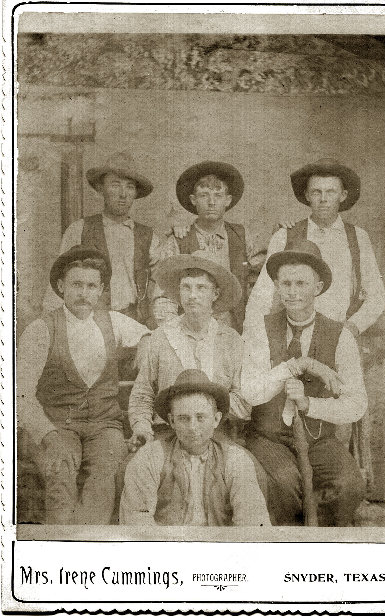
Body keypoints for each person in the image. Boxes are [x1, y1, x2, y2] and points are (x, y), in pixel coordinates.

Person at [17, 245, 150, 524]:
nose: (84, 293)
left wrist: (144, 348)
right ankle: (62, 545)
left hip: (104, 426)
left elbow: (151, 338)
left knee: (107, 471)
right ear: (62, 286)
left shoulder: (114, 322)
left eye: (92, 286)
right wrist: (49, 436)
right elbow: (20, 395)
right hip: (58, 425)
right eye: (77, 284)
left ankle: (88, 543)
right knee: (61, 470)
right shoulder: (42, 329)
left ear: (101, 290)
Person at [241, 239, 367, 526]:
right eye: (286, 284)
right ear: (277, 286)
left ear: (318, 288)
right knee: (285, 484)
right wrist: (294, 366)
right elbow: (250, 391)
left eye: (301, 283)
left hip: (318, 440)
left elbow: (356, 404)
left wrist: (310, 403)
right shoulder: (260, 329)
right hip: (268, 437)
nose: (293, 292)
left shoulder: (340, 336)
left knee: (349, 485)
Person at [244, 158, 385, 338]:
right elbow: (262, 296)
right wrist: (253, 339)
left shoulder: (358, 237)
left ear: (342, 195)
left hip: (342, 334)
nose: (324, 199)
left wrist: (352, 327)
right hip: (292, 336)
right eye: (317, 192)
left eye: (331, 191)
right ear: (307, 195)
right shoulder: (285, 235)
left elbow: (377, 296)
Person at [128, 252, 251, 449]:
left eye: (201, 288)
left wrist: (206, 416)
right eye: (186, 287)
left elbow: (243, 399)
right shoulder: (161, 337)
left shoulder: (231, 340)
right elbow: (143, 393)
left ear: (215, 294)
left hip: (217, 435)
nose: (192, 295)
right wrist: (142, 426)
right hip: (169, 433)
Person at [120, 369, 271, 526]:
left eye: (201, 417)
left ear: (216, 419)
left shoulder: (236, 460)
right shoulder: (150, 458)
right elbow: (137, 525)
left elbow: (253, 526)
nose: (192, 427)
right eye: (184, 418)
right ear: (172, 421)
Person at [43, 151, 162, 327]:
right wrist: (50, 327)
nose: (123, 194)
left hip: (135, 324)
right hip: (89, 325)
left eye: (129, 187)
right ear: (101, 188)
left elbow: (162, 288)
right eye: (115, 185)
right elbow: (57, 285)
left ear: (135, 193)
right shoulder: (79, 229)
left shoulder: (149, 237)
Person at [154, 160, 264, 332]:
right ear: (193, 200)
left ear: (227, 200)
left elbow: (261, 284)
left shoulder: (242, 236)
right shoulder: (178, 240)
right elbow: (163, 295)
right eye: (204, 195)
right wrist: (176, 336)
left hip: (234, 329)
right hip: (191, 330)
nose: (211, 202)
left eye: (218, 196)